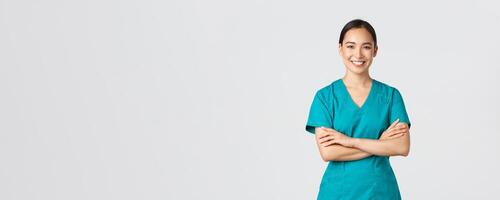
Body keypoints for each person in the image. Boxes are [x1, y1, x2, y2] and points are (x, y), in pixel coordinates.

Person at [305, 19, 411, 200]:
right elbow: (328, 152)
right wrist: (380, 144)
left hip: (380, 191)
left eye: (366, 47)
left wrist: (348, 141)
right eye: (351, 46)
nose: (358, 54)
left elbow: (402, 146)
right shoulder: (325, 97)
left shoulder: (390, 96)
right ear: (340, 49)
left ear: (375, 51)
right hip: (338, 192)